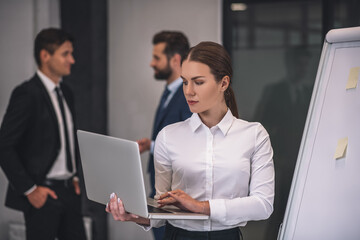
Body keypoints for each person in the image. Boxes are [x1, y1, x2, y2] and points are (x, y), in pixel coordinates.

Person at [106, 41, 275, 240]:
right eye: (185, 81)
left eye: (198, 82)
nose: (188, 91)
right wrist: (134, 215)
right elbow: (163, 210)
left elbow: (263, 205)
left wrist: (202, 207)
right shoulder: (168, 136)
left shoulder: (254, 135)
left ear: (224, 83)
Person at [0, 28, 86, 240]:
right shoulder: (26, 93)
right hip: (43, 195)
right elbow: (4, 145)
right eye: (65, 54)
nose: (72, 60)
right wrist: (30, 190)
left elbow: (66, 140)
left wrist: (75, 176)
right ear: (45, 55)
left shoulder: (66, 92)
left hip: (70, 193)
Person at [136, 31, 192, 239]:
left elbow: (189, 143)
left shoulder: (188, 96)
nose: (152, 63)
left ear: (175, 60)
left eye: (156, 58)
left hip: (173, 196)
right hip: (161, 190)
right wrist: (151, 145)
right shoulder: (169, 91)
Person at [253, 46, 313, 239]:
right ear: (289, 64)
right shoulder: (274, 91)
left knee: (300, 208)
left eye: (305, 65)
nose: (302, 69)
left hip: (302, 161)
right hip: (280, 162)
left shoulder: (309, 92)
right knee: (278, 211)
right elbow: (261, 125)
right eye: (299, 65)